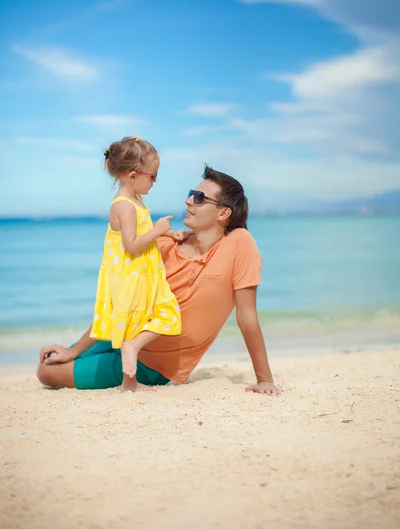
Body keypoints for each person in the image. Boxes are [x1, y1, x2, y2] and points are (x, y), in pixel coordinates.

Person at [37, 165, 279, 396]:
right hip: (122, 335)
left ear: (224, 213)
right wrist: (75, 349)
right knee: (51, 361)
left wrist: (265, 379)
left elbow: (246, 316)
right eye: (191, 194)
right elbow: (123, 300)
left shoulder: (239, 243)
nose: (188, 200)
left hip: (153, 365)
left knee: (47, 373)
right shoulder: (162, 245)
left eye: (199, 197)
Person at [85, 136, 182, 392]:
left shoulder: (136, 201)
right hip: (131, 274)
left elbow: (143, 231)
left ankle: (130, 382)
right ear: (132, 176)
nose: (155, 181)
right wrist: (158, 229)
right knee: (154, 318)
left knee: (157, 317)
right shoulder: (124, 206)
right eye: (153, 176)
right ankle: (131, 360)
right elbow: (131, 244)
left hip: (144, 272)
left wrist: (169, 234)